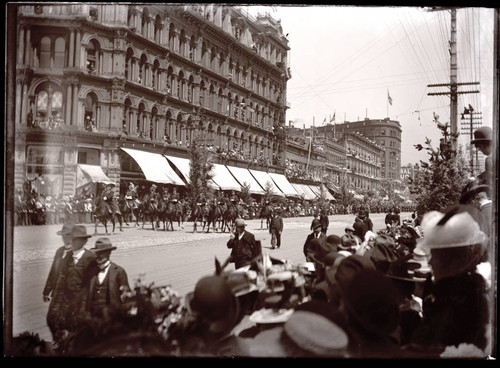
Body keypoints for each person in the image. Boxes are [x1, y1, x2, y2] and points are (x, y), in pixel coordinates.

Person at [407, 205, 490, 357]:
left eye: (435, 256)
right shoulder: (436, 286)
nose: (430, 262)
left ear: (451, 261)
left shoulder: (467, 290)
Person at [49, 225, 97, 343]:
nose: (73, 242)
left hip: (83, 306)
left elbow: (90, 288)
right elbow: (61, 283)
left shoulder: (90, 258)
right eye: (71, 239)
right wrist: (56, 307)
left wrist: (82, 311)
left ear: (84, 241)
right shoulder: (68, 257)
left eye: (77, 239)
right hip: (67, 304)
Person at [44, 222, 75, 340]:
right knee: (51, 319)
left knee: (67, 323)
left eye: (68, 236)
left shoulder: (78, 253)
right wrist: (47, 290)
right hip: (57, 293)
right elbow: (53, 271)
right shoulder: (59, 251)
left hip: (70, 295)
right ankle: (58, 342)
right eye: (63, 236)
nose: (65, 239)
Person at [86, 238, 130, 318]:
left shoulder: (119, 272)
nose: (98, 256)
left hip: (111, 318)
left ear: (108, 253)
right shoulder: (91, 271)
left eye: (102, 253)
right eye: (97, 253)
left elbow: (126, 299)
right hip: (93, 318)